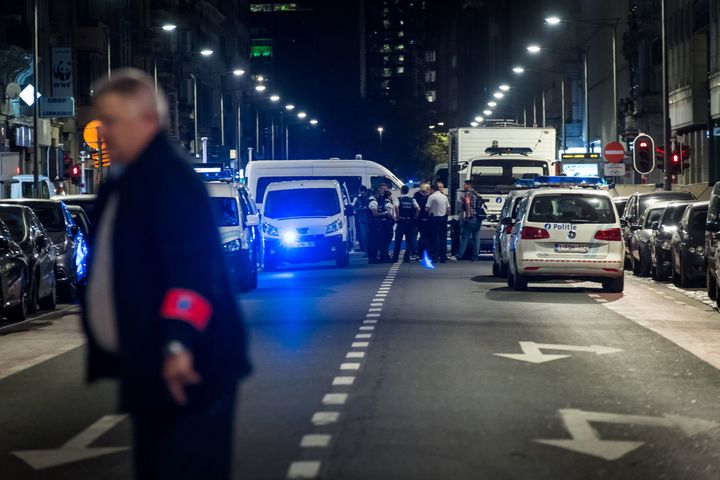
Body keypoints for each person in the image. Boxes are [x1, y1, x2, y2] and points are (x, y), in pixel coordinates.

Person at [82, 69, 251, 480]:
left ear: (148, 121)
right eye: (100, 121)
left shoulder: (170, 180)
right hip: (148, 363)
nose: (103, 133)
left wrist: (178, 342)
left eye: (112, 121)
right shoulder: (127, 179)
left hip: (187, 364)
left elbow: (191, 273)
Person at [456, 180, 486, 261]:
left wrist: (468, 215)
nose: (464, 186)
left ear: (469, 185)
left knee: (465, 236)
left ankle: (459, 255)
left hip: (471, 218)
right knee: (476, 237)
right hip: (478, 218)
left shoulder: (467, 194)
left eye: (465, 184)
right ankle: (475, 256)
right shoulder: (477, 193)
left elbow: (467, 204)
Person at [393, 185, 420, 262]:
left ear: (401, 191)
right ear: (408, 191)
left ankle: (395, 258)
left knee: (398, 241)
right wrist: (414, 218)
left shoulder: (398, 199)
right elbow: (418, 209)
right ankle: (406, 258)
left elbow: (396, 207)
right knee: (409, 241)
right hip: (410, 223)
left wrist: (398, 217)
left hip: (401, 222)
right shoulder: (412, 200)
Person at [426, 181, 451, 263]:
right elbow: (448, 209)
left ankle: (435, 257)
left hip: (434, 219)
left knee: (435, 238)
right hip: (443, 219)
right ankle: (443, 257)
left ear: (433, 189)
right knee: (443, 238)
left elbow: (427, 208)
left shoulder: (431, 197)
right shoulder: (444, 197)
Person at [368, 185, 392, 263]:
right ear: (376, 194)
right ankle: (374, 258)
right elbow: (375, 214)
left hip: (373, 224)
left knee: (375, 241)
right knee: (376, 241)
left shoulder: (371, 200)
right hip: (374, 224)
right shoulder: (373, 202)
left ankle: (375, 257)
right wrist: (384, 213)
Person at [413, 183, 432, 259]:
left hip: (418, 220)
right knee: (425, 237)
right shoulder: (426, 198)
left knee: (421, 237)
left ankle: (418, 252)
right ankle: (424, 253)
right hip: (425, 219)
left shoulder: (415, 197)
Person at [352, 186, 370, 254]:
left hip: (368, 220)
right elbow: (355, 209)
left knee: (369, 236)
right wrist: (360, 208)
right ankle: (366, 251)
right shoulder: (357, 199)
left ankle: (370, 251)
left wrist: (366, 208)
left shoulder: (368, 199)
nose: (362, 193)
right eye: (361, 191)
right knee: (363, 237)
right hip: (361, 221)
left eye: (364, 191)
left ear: (366, 192)